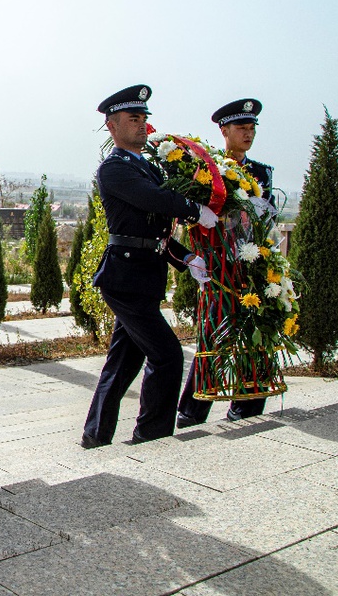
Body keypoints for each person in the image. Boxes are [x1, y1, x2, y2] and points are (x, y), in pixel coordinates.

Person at [79, 85, 216, 448]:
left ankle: (95, 436)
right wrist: (192, 208)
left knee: (121, 363)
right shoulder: (113, 169)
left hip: (145, 275)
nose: (141, 125)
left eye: (143, 119)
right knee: (168, 355)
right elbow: (152, 200)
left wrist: (187, 257)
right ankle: (151, 435)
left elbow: (156, 232)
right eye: (132, 119)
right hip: (124, 278)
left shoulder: (149, 169)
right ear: (112, 126)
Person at [178, 98, 274, 428]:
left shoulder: (262, 173)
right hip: (217, 267)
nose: (248, 134)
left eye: (252, 129)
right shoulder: (208, 171)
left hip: (252, 267)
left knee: (254, 333)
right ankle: (192, 412)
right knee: (213, 334)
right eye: (241, 128)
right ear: (224, 131)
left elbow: (265, 224)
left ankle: (246, 407)